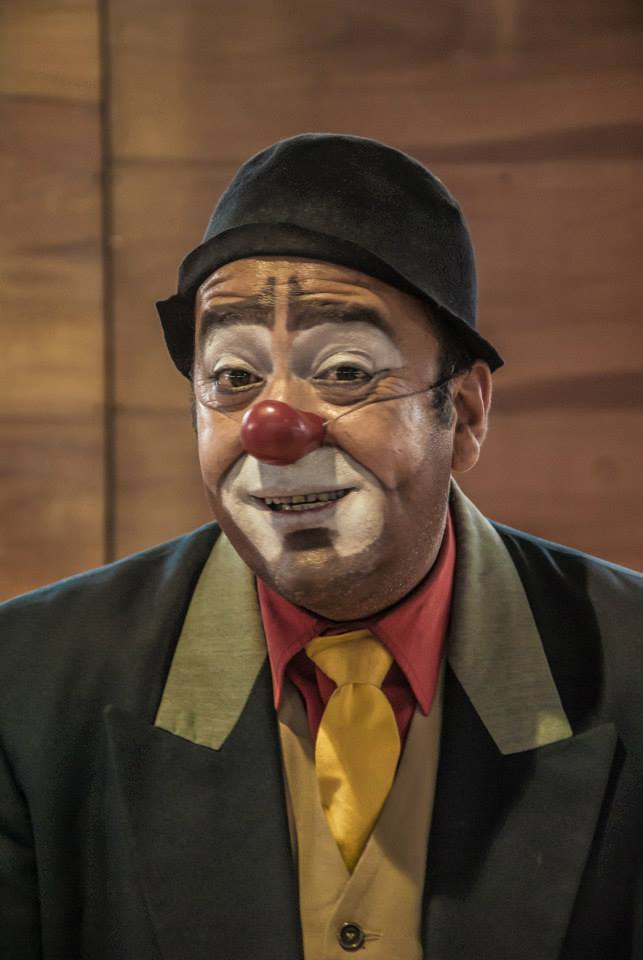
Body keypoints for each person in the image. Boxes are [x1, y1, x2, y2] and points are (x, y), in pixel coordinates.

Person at [1, 133, 641, 960]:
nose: (273, 429)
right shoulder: (24, 687)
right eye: (232, 378)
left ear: (464, 414)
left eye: (343, 370)